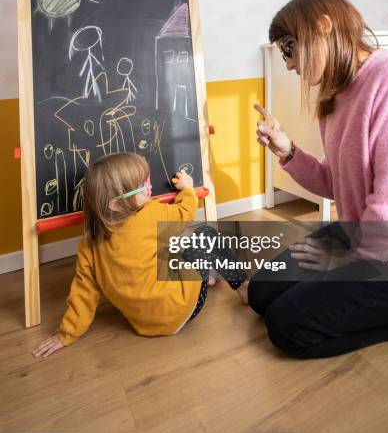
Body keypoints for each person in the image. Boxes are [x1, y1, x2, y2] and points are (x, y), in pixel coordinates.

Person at [249, 0, 388, 359]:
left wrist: (344, 262)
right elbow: (336, 186)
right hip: (360, 232)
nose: (288, 64)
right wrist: (287, 151)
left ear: (323, 27)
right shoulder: (333, 100)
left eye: (289, 48)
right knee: (261, 292)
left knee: (286, 326)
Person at [32, 153, 248, 358]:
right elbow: (184, 213)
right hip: (181, 308)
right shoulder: (149, 216)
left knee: (171, 243)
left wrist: (66, 334)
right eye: (142, 186)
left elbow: (83, 294)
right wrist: (188, 190)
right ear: (116, 204)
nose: (150, 186)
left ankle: (207, 276)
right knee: (204, 234)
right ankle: (242, 288)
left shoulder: (88, 245)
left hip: (143, 323)